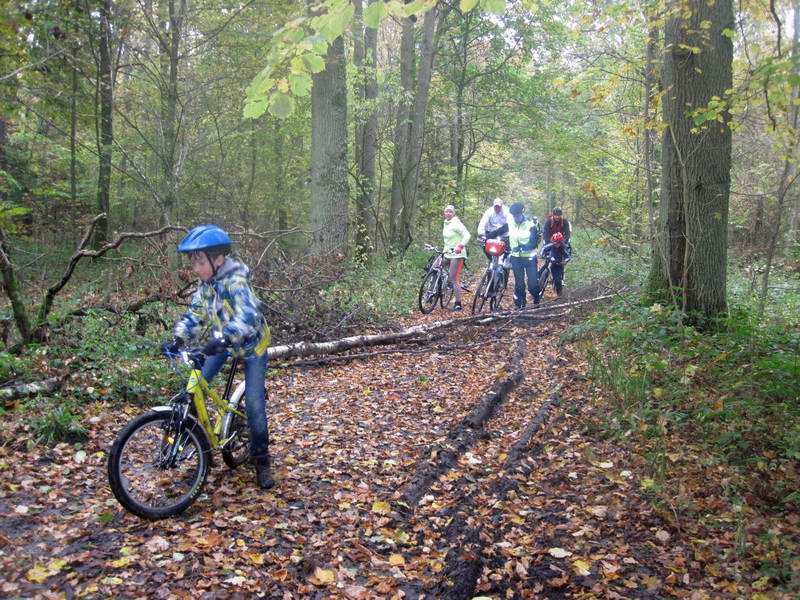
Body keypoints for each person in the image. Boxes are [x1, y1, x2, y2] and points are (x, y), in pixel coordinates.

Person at [162, 224, 274, 489]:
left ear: (218, 259)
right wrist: (179, 337)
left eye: (200, 261)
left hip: (251, 346)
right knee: (195, 384)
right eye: (193, 262)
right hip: (223, 342)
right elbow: (195, 315)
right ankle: (200, 449)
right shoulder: (206, 286)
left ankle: (261, 460)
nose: (196, 268)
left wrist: (224, 337)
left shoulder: (236, 282)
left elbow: (248, 316)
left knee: (256, 407)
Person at [507, 202, 540, 309]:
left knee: (532, 284)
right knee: (519, 283)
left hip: (529, 258)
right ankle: (520, 304)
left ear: (522, 214)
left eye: (517, 215)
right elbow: (500, 231)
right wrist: (487, 236)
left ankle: (536, 298)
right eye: (513, 216)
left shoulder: (531, 225)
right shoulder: (510, 223)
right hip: (516, 258)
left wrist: (521, 247)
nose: (515, 218)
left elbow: (534, 242)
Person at [442, 204, 471, 311]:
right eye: (446, 211)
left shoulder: (456, 223)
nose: (448, 213)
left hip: (458, 254)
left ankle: (458, 303)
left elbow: (467, 235)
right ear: (444, 213)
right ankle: (437, 288)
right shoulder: (446, 223)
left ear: (454, 213)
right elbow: (448, 240)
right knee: (434, 267)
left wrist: (460, 245)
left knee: (454, 278)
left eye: (450, 211)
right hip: (447, 252)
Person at [539, 231, 571, 297]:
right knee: (539, 273)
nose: (555, 244)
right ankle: (538, 289)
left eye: (557, 243)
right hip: (550, 261)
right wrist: (542, 255)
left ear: (560, 242)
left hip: (558, 264)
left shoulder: (563, 248)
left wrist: (564, 261)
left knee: (557, 280)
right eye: (554, 242)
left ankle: (559, 293)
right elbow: (544, 249)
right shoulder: (551, 245)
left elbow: (568, 257)